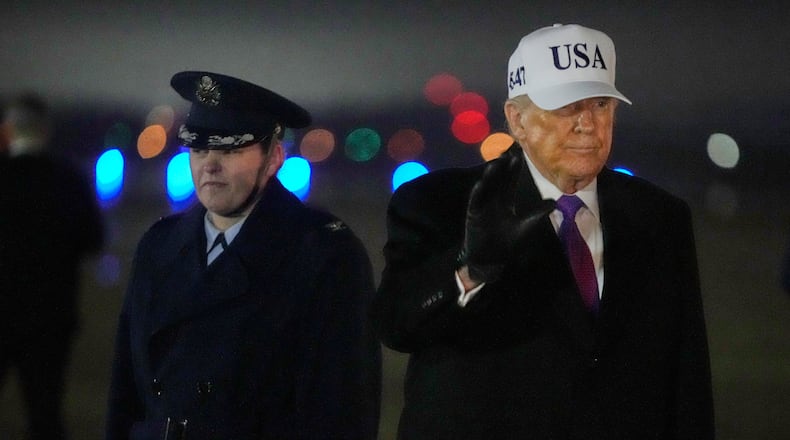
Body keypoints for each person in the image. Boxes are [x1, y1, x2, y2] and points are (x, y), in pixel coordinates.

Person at [371, 24, 714, 439]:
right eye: (566, 106)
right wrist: (469, 269)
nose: (588, 124)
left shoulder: (660, 216)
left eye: (601, 104)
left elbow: (686, 374)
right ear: (517, 119)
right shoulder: (439, 203)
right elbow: (395, 325)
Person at [105, 71, 381, 440]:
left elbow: (342, 409)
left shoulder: (323, 254)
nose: (209, 165)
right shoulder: (159, 244)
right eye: (199, 149)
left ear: (274, 157)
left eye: (230, 149)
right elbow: (126, 391)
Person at [0, 92, 105, 439]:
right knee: (45, 412)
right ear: (45, 130)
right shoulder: (68, 179)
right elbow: (93, 239)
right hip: (50, 316)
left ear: (9, 130)